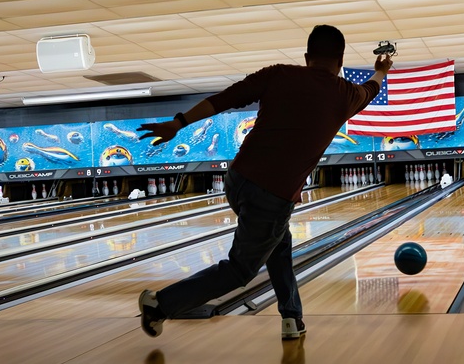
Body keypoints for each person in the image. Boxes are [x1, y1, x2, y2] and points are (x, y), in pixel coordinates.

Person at [136, 24, 392, 339]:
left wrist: (178, 122)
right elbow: (372, 87)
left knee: (278, 245)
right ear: (341, 61)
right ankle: (159, 305)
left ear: (306, 56)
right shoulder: (347, 95)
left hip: (237, 179)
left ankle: (291, 318)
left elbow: (224, 98)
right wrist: (382, 69)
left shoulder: (278, 74)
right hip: (273, 196)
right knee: (240, 271)